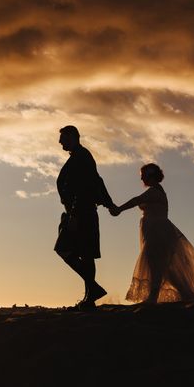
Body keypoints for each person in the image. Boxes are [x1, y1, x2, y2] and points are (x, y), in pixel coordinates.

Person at [110, 163, 194, 303]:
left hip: (158, 231)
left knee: (156, 264)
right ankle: (185, 295)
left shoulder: (154, 191)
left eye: (143, 176)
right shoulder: (157, 191)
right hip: (157, 230)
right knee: (166, 268)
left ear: (149, 176)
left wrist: (119, 209)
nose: (142, 180)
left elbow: (137, 200)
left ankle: (153, 297)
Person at [55, 125, 115, 311]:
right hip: (80, 211)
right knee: (83, 253)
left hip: (82, 212)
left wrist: (74, 213)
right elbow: (96, 181)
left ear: (73, 136)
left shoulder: (82, 156)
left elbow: (89, 184)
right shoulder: (78, 157)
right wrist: (109, 203)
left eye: (63, 138)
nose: (60, 142)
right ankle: (91, 294)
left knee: (72, 250)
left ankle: (91, 295)